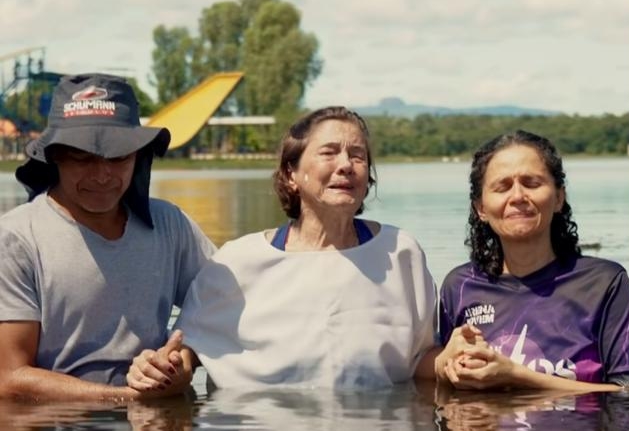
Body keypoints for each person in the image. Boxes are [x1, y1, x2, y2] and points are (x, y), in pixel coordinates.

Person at [129, 106, 455, 391]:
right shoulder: (238, 262)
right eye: (329, 152)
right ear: (291, 174)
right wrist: (162, 371)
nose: (346, 165)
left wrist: (460, 362)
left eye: (357, 155)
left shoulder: (401, 253)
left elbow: (422, 360)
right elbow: (185, 356)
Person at [0, 73, 215, 401]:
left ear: (139, 156)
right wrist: (124, 399)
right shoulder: (15, 239)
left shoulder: (171, 225)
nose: (102, 176)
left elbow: (227, 311)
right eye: (82, 158)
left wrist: (181, 361)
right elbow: (10, 378)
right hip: (60, 430)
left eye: (118, 157)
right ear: (54, 156)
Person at [436, 130, 629, 393]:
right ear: (481, 208)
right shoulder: (459, 287)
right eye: (502, 187)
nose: (518, 196)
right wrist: (444, 367)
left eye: (532, 183)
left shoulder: (603, 283)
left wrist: (516, 376)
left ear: (558, 197)